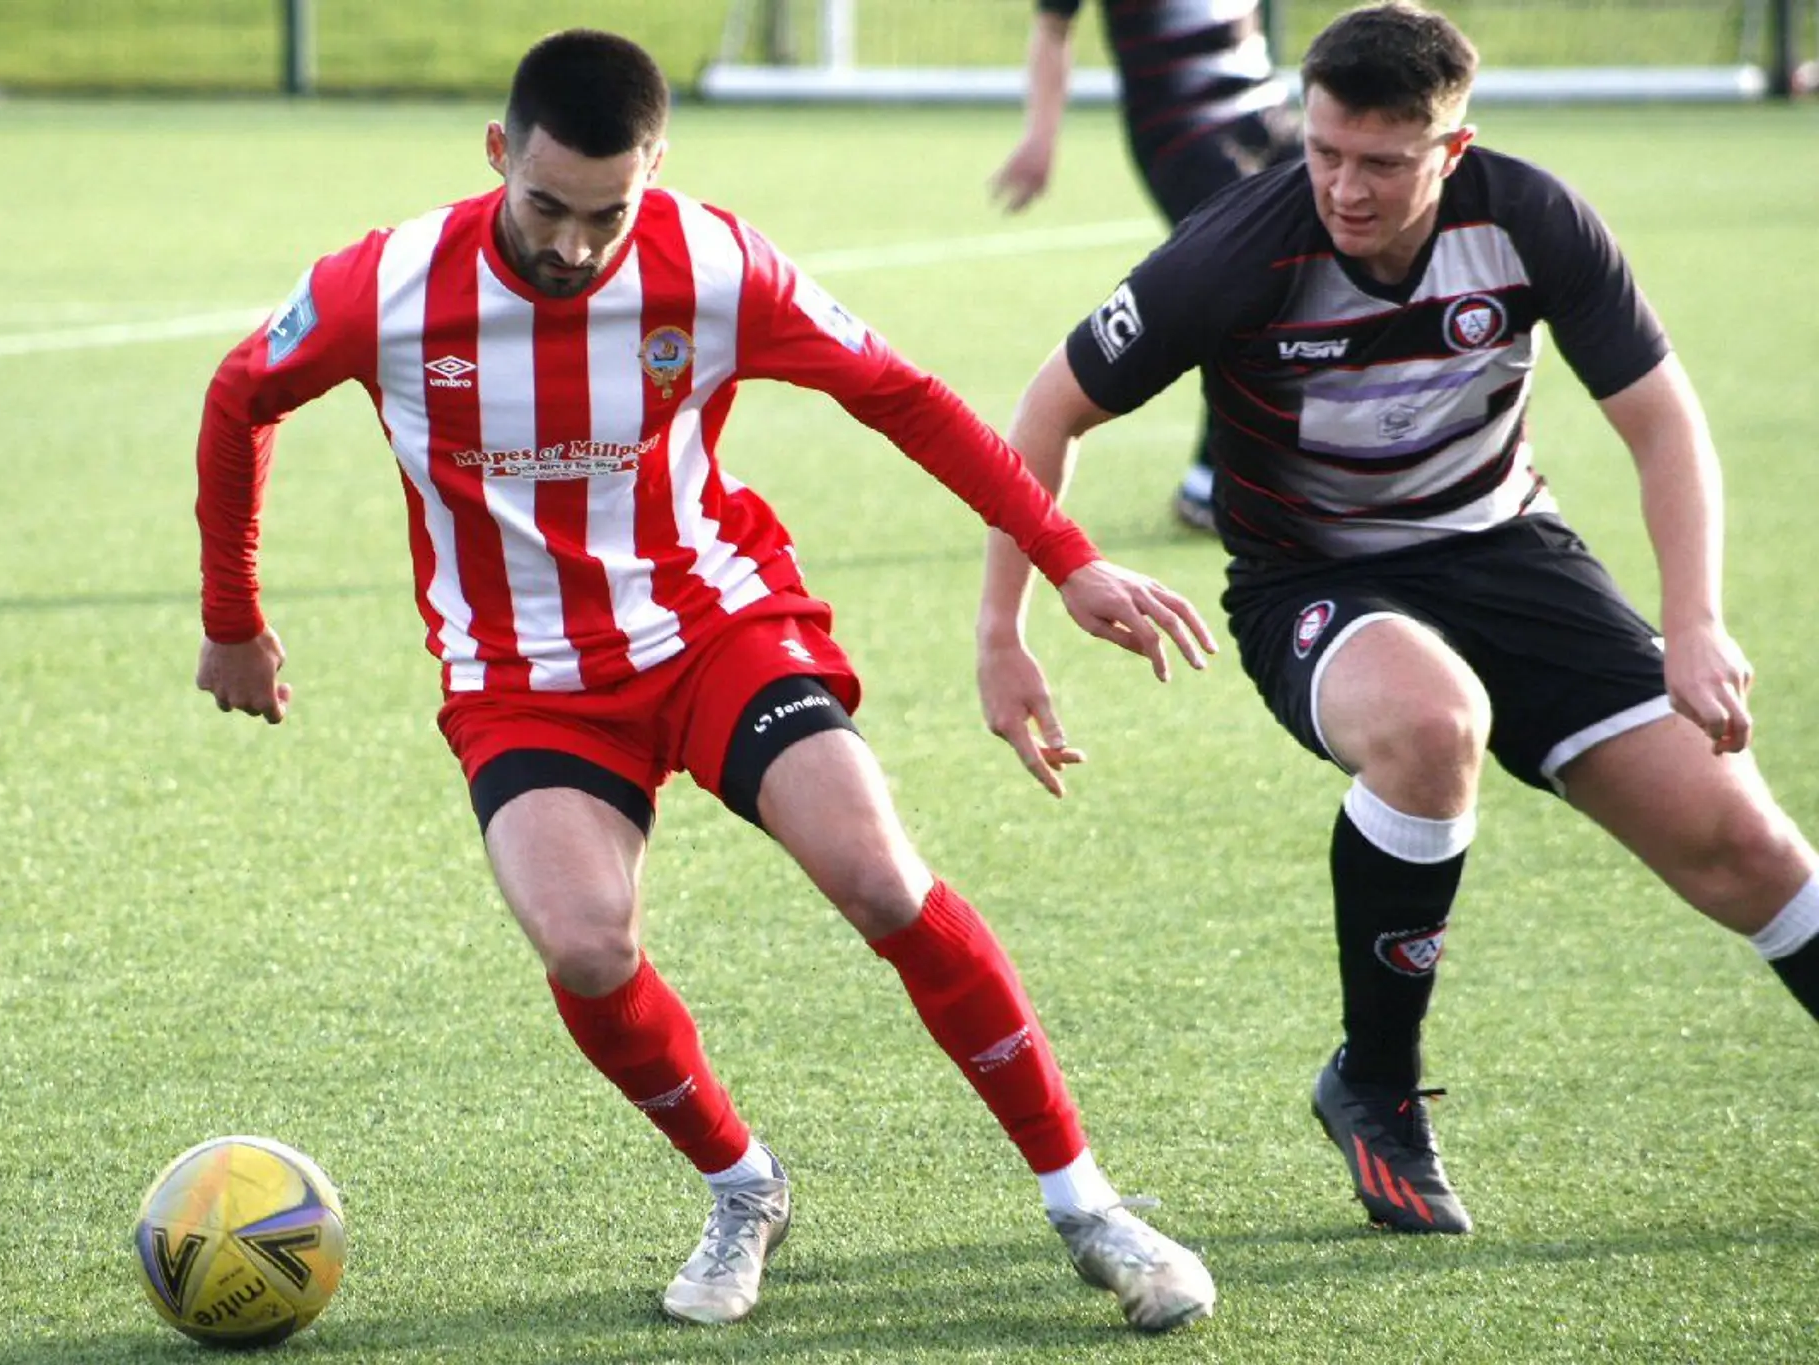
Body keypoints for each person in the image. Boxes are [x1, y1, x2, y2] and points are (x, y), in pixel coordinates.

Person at [193, 28, 1221, 1330]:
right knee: (585, 945)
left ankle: (1088, 1207)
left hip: (714, 625)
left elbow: (902, 396)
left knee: (878, 875)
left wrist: (1065, 560)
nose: (574, 245)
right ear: (499, 154)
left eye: (607, 213)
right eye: (546, 206)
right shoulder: (385, 288)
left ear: (657, 169)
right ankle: (744, 1185)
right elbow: (240, 396)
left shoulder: (713, 264)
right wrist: (233, 619)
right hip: (522, 679)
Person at [977, 1, 1819, 1235]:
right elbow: (1045, 412)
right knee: (1430, 725)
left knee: (1746, 850)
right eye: (1322, 150)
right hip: (1309, 580)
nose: (1342, 188)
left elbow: (1659, 421)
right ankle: (1373, 1086)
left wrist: (1692, 619)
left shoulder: (1529, 219)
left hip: (1508, 554)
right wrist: (1005, 628)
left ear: (1450, 147)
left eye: (1379, 162)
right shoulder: (1233, 251)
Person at [989, 0, 1303, 534]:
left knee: (1318, 263)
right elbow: (1052, 28)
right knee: (1242, 279)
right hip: (1184, 128)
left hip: (1269, 111)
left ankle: (1295, 469)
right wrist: (1040, 137)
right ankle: (1211, 482)